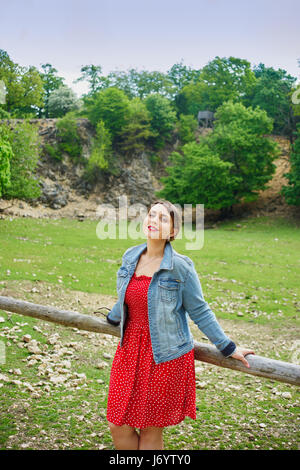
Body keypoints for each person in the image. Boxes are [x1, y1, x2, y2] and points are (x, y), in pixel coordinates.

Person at [105, 199, 255, 450]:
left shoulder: (181, 267)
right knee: (118, 424)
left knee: (151, 430)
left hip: (165, 356)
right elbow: (127, 295)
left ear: (173, 232)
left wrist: (228, 347)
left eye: (163, 218)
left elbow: (200, 310)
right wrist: (112, 317)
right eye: (151, 215)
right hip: (129, 350)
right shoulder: (130, 255)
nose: (154, 220)